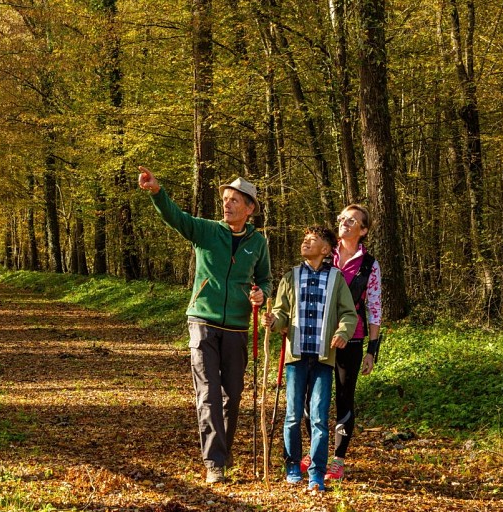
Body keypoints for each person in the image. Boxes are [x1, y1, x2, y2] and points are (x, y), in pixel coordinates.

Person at [137, 166, 272, 484]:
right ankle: (214, 462)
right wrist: (158, 192)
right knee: (208, 392)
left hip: (238, 327)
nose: (227, 204)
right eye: (225, 199)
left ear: (249, 208)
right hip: (202, 321)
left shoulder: (258, 243)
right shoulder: (207, 231)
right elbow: (176, 217)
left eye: (235, 200)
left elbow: (264, 278)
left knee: (233, 395)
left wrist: (260, 294)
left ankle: (221, 451)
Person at [261, 226, 357, 492]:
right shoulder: (291, 276)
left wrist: (342, 332)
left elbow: (349, 314)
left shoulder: (336, 278)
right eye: (304, 239)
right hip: (296, 357)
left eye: (312, 240)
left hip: (324, 359)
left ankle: (316, 472)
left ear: (325, 249)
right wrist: (273, 320)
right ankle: (292, 466)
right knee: (292, 415)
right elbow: (280, 312)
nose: (305, 242)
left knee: (318, 417)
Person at [300, 204, 382, 482]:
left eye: (352, 220)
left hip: (353, 338)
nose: (345, 223)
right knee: (311, 396)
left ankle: (337, 460)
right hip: (316, 336)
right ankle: (314, 452)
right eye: (342, 219)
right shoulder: (324, 253)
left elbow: (374, 307)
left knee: (345, 397)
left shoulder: (369, 264)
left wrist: (373, 349)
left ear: (364, 230)